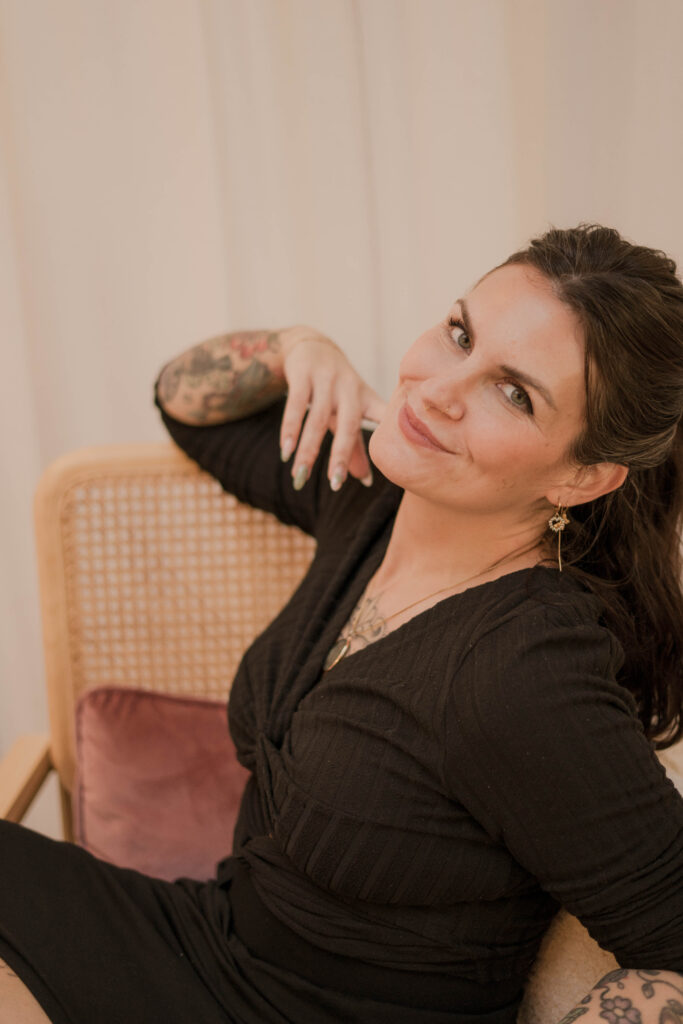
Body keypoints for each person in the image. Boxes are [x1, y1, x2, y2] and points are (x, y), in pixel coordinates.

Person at [1, 223, 683, 1024]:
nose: (435, 389)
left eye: (513, 392)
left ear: (582, 475)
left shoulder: (527, 670)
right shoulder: (368, 488)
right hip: (210, 946)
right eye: (459, 333)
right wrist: (296, 347)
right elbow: (187, 405)